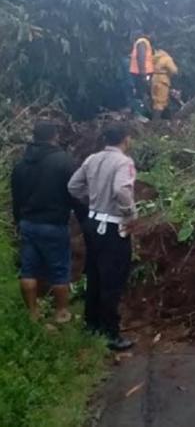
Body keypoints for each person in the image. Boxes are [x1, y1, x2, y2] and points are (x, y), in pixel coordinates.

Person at [68, 123, 137, 351]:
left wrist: (92, 200)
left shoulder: (92, 159)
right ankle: (111, 333)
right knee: (112, 280)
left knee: (95, 275)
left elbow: (73, 186)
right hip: (112, 227)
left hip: (92, 223)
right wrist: (131, 215)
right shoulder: (124, 162)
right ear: (125, 140)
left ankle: (92, 325)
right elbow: (121, 191)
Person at [11, 121, 83, 323]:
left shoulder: (21, 164)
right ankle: (61, 313)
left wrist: (19, 221)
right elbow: (75, 193)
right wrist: (84, 218)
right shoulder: (63, 161)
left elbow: (16, 198)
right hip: (53, 224)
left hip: (28, 223)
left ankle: (33, 313)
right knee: (59, 270)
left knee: (28, 269)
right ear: (54, 136)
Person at [150, 48, 179, 120]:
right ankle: (155, 123)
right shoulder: (167, 58)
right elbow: (174, 71)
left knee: (156, 101)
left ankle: (156, 121)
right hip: (163, 81)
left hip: (154, 80)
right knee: (160, 102)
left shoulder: (155, 58)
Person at [129, 33, 154, 108]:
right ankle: (146, 112)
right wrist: (143, 74)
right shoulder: (142, 42)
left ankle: (145, 112)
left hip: (138, 73)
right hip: (143, 73)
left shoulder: (140, 42)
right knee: (144, 93)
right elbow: (141, 58)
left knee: (142, 93)